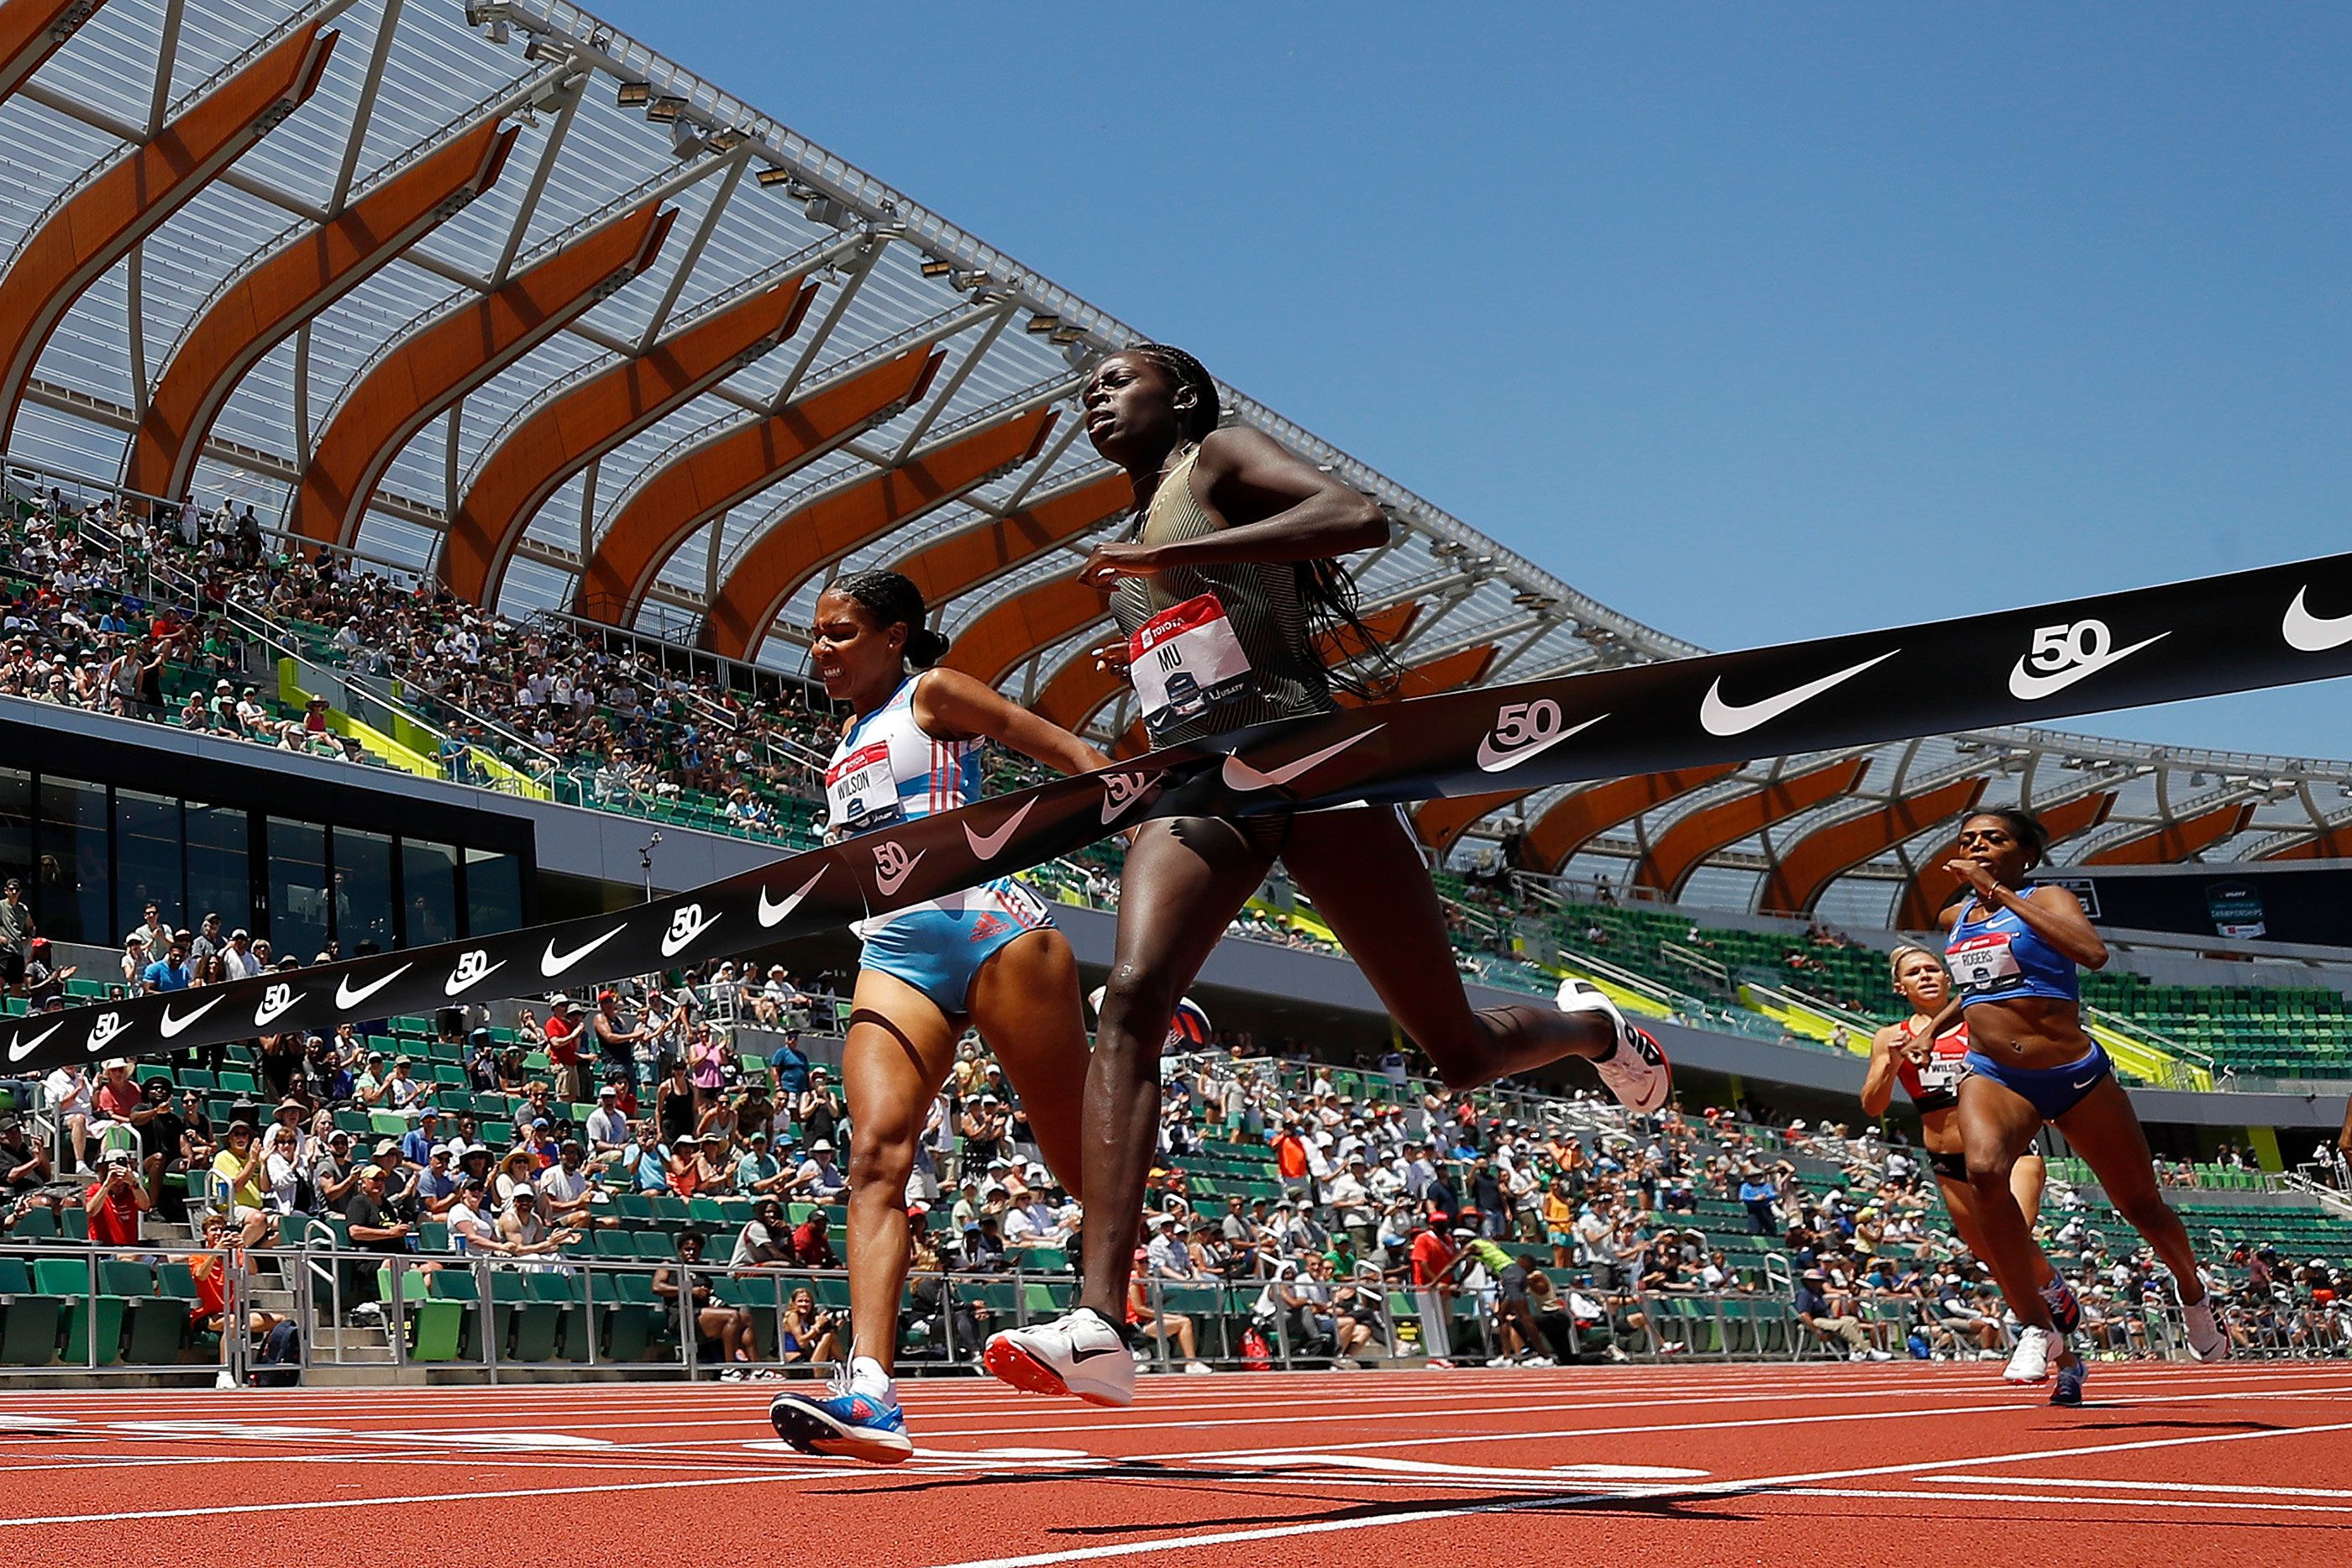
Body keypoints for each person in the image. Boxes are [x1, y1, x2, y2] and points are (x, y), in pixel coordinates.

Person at [985, 346, 1668, 1410]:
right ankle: (1099, 1324)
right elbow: (1214, 635)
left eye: (1118, 382)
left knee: (1456, 1050)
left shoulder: (1215, 459)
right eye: (1086, 390)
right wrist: (1152, 644)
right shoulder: (1137, 522)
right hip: (1209, 781)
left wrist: (1142, 569)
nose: (1095, 397)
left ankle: (1591, 1029)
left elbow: (1357, 516)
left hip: (1312, 766)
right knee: (1126, 999)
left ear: (1184, 398)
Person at [767, 570, 1106, 1466]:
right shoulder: (840, 743)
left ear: (894, 635)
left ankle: (1112, 1318)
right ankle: (871, 1392)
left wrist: (1131, 805)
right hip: (892, 954)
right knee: (875, 1154)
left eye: (839, 633)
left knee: (1074, 1156)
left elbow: (1060, 746)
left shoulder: (935, 694)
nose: (820, 650)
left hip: (991, 929)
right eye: (815, 634)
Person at [1940, 808, 2224, 1407]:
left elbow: (2091, 953)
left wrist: (1998, 893)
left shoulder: (2047, 896)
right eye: (1969, 840)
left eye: (1994, 838)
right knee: (1985, 1173)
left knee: (2141, 1204)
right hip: (1996, 1074)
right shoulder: (1954, 918)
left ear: (2024, 854)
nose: (1979, 846)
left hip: (2074, 1075)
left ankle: (2194, 1291)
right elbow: (1974, 989)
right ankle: (2036, 1324)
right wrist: (1936, 1026)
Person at [1861, 943, 2077, 1385]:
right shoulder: (1890, 1037)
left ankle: (2044, 1313)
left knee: (2010, 1240)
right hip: (1947, 1160)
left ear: (1947, 979)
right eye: (1915, 972)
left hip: (2006, 1150)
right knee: (1993, 1257)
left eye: (1933, 969)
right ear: (1898, 986)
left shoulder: (1979, 1021)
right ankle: (2067, 1359)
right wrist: (1892, 1064)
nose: (1926, 976)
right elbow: (1871, 1105)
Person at [653, 1231, 754, 1377]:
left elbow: (709, 1299)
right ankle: (729, 1368)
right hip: (682, 1316)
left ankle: (756, 1368)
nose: (691, 1253)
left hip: (703, 1315)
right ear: (680, 1251)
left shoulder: (703, 1276)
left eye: (695, 1250)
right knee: (731, 1316)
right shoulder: (669, 1266)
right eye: (687, 1249)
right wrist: (690, 1290)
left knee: (745, 1318)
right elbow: (657, 1287)